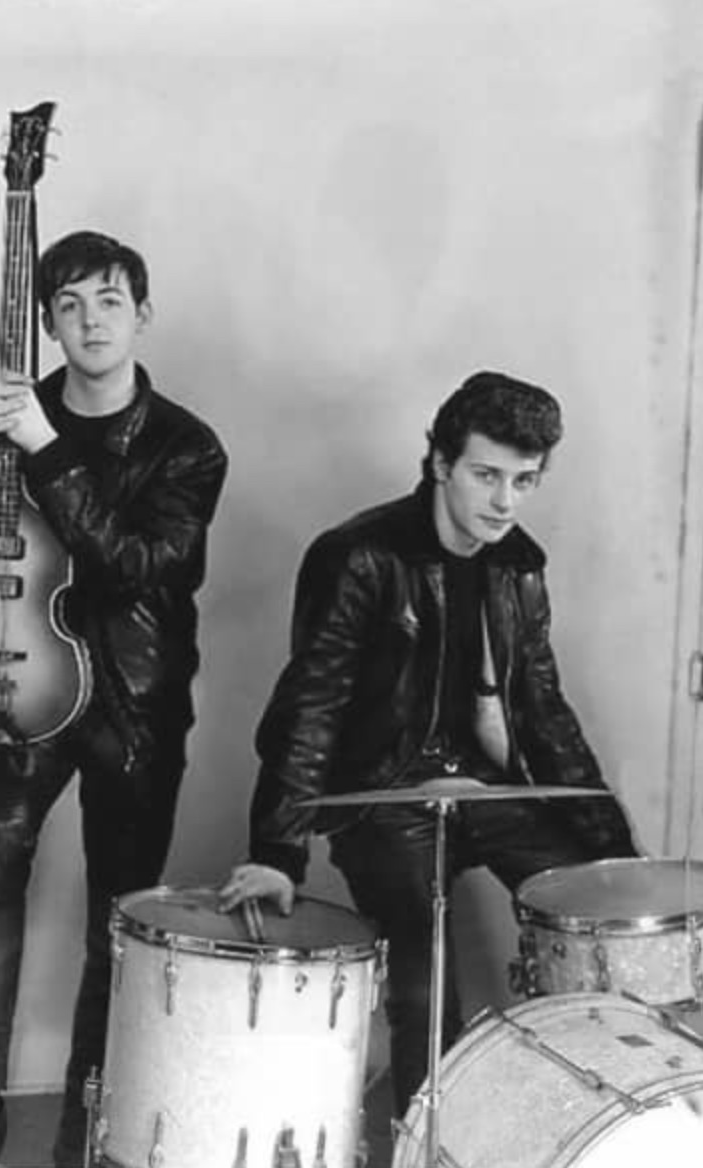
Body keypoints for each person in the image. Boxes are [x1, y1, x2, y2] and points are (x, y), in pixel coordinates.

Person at [221, 371, 639, 1119]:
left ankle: (576, 1127)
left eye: (524, 480)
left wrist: (615, 860)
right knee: (426, 974)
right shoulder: (358, 556)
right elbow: (311, 708)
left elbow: (544, 711)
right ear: (441, 463)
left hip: (484, 790)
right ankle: (425, 1138)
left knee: (598, 919)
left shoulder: (519, 565)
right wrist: (276, 853)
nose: (504, 500)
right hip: (382, 797)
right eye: (486, 475)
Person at [0, 230, 229, 1168]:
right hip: (15, 678)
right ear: (45, 322)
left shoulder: (187, 446)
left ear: (143, 316)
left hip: (133, 702)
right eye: (71, 306)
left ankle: (91, 1114)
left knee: (119, 912)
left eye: (110, 302)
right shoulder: (10, 423)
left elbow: (136, 566)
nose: (91, 322)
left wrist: (44, 449)